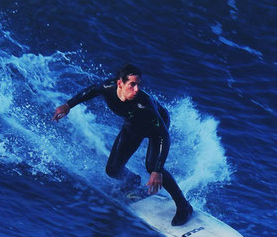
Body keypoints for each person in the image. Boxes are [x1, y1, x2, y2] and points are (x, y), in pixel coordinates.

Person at [52, 64, 194, 226]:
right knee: (112, 170)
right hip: (133, 124)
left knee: (152, 166)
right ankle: (132, 182)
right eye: (132, 84)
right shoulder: (108, 87)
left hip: (155, 126)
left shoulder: (144, 104)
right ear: (120, 83)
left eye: (139, 85)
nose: (136, 89)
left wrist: (157, 169)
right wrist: (68, 105)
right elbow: (92, 90)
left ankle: (184, 206)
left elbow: (163, 135)